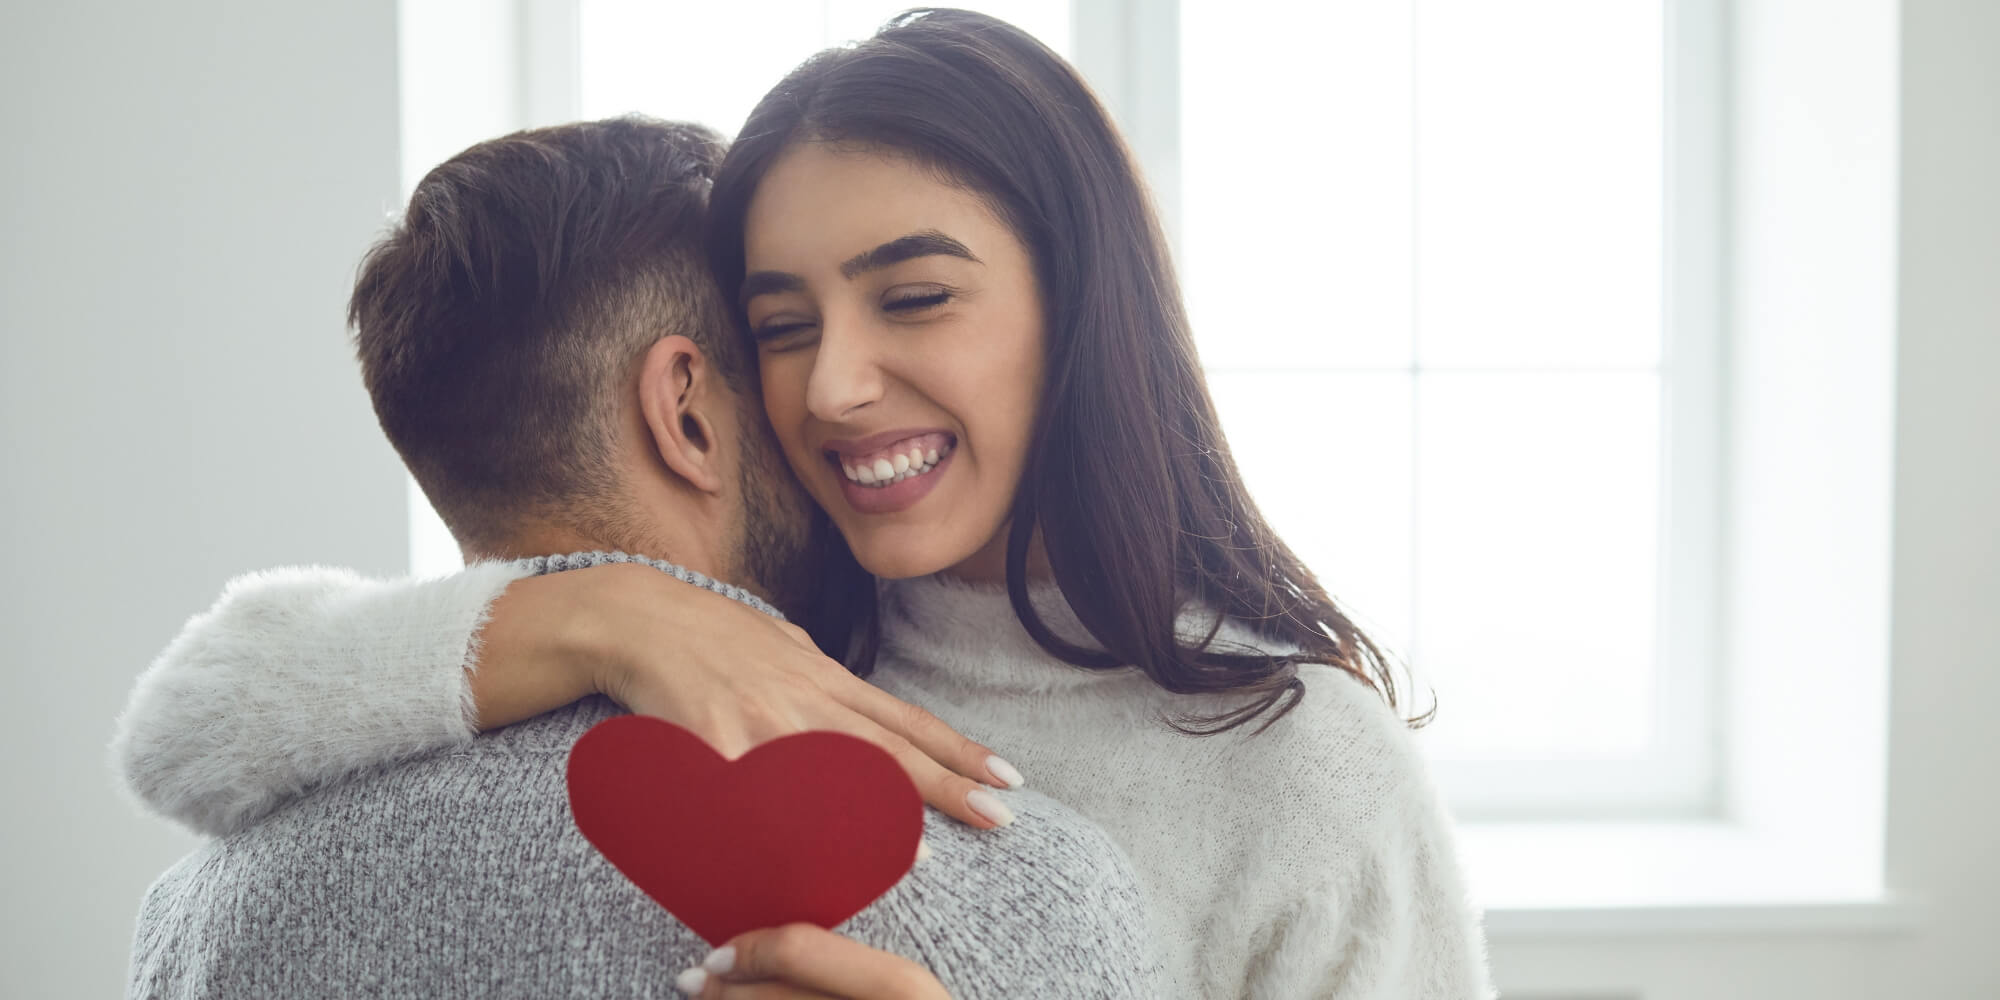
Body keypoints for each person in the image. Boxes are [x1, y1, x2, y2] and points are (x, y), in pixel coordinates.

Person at [117, 10, 1494, 997]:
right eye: (778, 325)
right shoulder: (765, 643)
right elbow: (195, 717)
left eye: (915, 297)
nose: (833, 385)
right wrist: (606, 610)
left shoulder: (1301, 769)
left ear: (1078, 308)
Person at [118, 115, 1156, 1000]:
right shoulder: (1029, 895)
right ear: (686, 412)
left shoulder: (199, 920)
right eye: (780, 338)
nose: (833, 400)